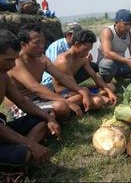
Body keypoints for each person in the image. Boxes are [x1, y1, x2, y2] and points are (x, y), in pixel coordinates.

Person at [0, 29, 60, 181]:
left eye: (14, 59)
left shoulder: (3, 76)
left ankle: (23, 159)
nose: (12, 64)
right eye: (8, 60)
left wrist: (49, 118)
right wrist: (32, 145)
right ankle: (20, 162)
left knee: (41, 122)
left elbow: (22, 101)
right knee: (24, 153)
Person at [4, 23, 92, 120]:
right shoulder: (15, 61)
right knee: (61, 106)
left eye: (43, 42)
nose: (42, 46)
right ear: (23, 44)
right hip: (20, 105)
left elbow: (62, 77)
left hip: (39, 99)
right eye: (37, 43)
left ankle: (59, 114)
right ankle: (57, 116)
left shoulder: (42, 59)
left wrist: (82, 91)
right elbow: (34, 87)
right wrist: (67, 102)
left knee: (78, 96)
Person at [53, 29, 117, 109]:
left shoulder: (82, 58)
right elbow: (73, 86)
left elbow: (95, 76)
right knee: (98, 101)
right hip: (65, 93)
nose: (87, 53)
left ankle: (88, 101)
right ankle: (84, 103)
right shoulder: (63, 61)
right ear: (77, 44)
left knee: (110, 87)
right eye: (86, 49)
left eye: (89, 50)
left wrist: (109, 92)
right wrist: (96, 96)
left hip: (78, 90)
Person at [42, 22, 99, 90]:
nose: (79, 37)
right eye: (77, 34)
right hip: (51, 81)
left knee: (93, 66)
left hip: (68, 76)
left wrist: (85, 59)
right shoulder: (57, 46)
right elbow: (55, 70)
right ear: (69, 35)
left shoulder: (76, 47)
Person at [98, 9, 131, 84]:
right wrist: (127, 61)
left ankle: (120, 77)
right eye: (125, 24)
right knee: (108, 64)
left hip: (121, 63)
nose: (128, 27)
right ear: (116, 23)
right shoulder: (108, 32)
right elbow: (107, 53)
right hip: (106, 63)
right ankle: (105, 82)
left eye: (130, 24)